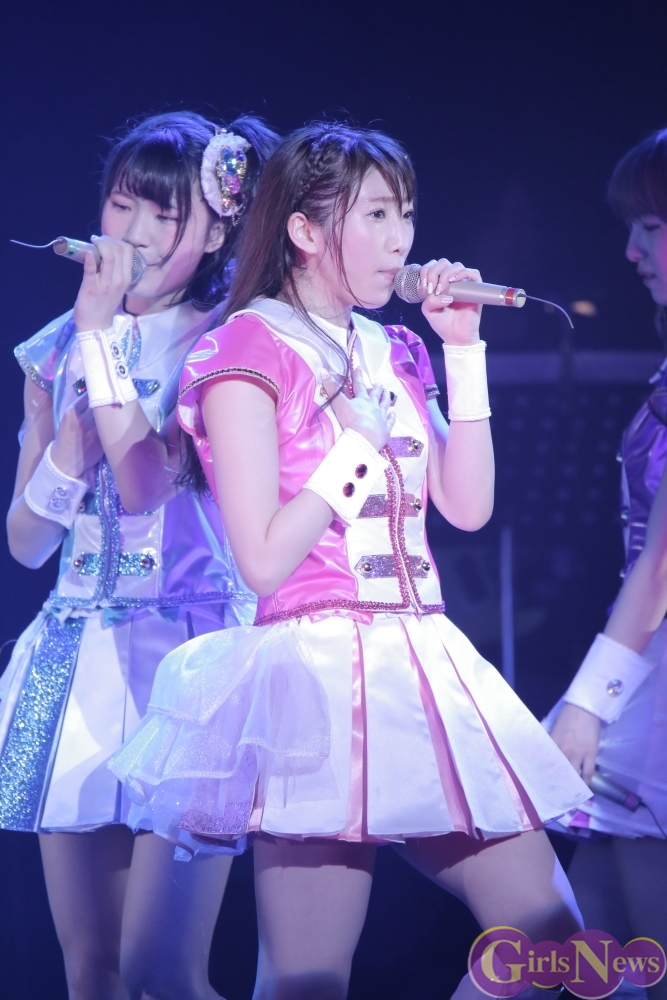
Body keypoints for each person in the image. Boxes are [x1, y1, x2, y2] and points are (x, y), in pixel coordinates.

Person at [110, 122, 589, 1000]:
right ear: (303, 229)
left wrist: (462, 349)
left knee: (554, 941)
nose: (401, 238)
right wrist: (352, 452)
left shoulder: (391, 347)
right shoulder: (244, 349)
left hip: (420, 662)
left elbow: (467, 506)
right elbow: (261, 559)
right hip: (315, 680)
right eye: (375, 214)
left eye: (405, 213)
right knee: (306, 982)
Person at [2, 110, 279, 1000]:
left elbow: (150, 484)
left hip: (188, 661)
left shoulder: (228, 340)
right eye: (124, 205)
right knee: (92, 972)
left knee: (168, 975)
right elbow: (24, 543)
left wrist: (98, 338)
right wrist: (63, 455)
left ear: (219, 231)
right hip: (72, 653)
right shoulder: (55, 347)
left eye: (167, 214)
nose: (138, 233)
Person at [547, 129, 667, 1000]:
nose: (630, 250)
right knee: (582, 956)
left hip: (642, 690)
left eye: (651, 227)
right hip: (639, 675)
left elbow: (660, 566)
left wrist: (587, 705)